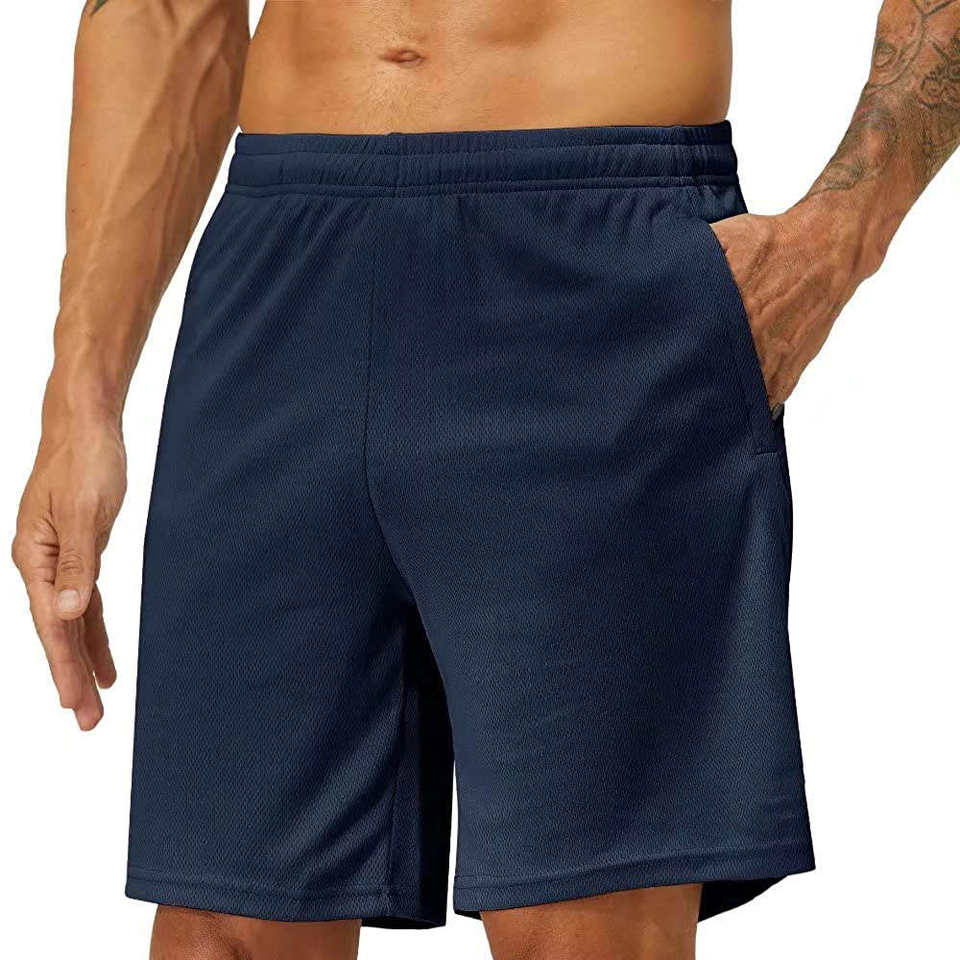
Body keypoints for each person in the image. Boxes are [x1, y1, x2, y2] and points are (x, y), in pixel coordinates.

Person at [12, 2, 958, 958]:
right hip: (279, 272)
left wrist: (841, 235)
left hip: (594, 257)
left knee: (582, 926)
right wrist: (80, 400)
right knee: (227, 922)